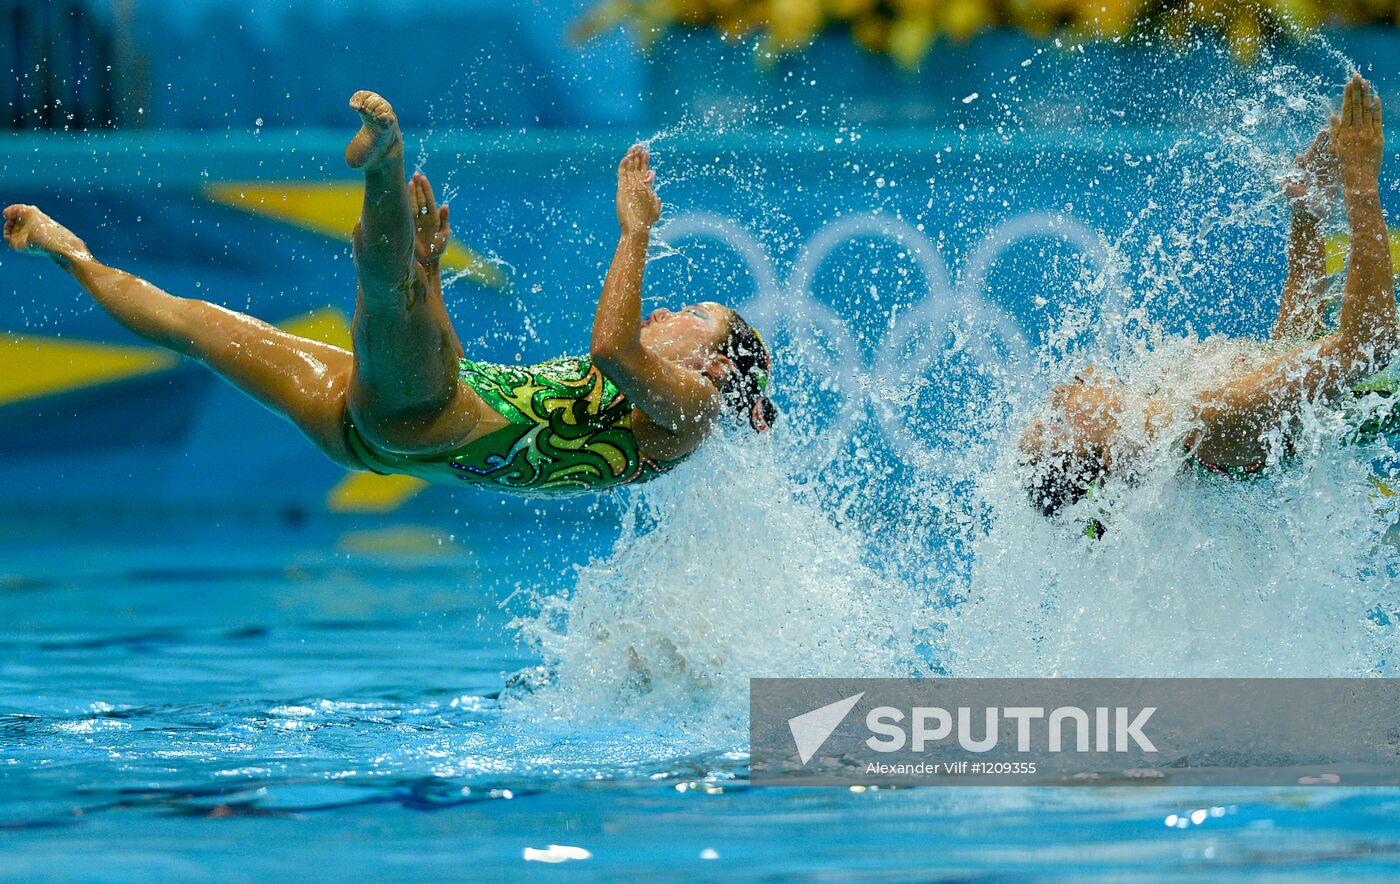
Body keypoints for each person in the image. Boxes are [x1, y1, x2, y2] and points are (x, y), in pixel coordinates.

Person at [3, 91, 774, 496]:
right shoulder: (670, 403)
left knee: (388, 290)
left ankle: (382, 163)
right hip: (384, 429)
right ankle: (70, 252)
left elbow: (612, 348)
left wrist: (635, 231)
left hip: (419, 419)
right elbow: (488, 397)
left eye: (696, 317)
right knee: (197, 326)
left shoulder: (692, 411)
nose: (671, 310)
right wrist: (435, 280)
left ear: (714, 368)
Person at [1020, 73, 1397, 521]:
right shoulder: (1208, 421)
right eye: (1060, 423)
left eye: (1047, 408)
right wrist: (1359, 182)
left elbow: (1293, 354)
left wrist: (1307, 219)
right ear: (1111, 460)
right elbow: (1368, 345)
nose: (1062, 393)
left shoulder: (1175, 415)